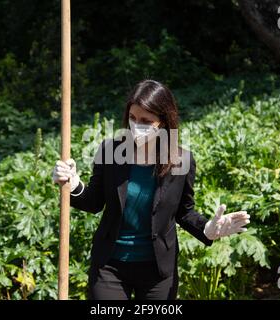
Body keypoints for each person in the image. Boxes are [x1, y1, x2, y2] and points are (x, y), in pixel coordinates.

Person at [52, 79, 250, 300]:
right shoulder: (110, 151)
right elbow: (93, 202)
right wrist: (73, 183)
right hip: (110, 266)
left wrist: (208, 230)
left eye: (146, 121)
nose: (137, 126)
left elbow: (184, 212)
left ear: (163, 122)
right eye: (133, 118)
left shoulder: (180, 161)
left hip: (157, 270)